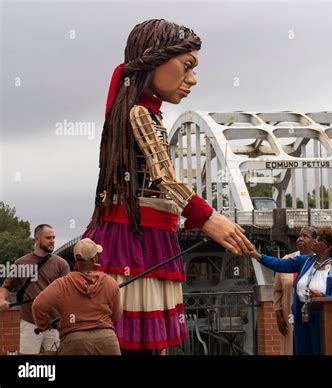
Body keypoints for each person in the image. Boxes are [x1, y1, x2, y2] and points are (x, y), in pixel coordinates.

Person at [82, 19, 252, 353]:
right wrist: (206, 216)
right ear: (153, 59)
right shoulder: (142, 113)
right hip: (140, 236)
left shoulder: (132, 111)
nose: (193, 80)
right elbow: (163, 175)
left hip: (139, 231)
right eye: (187, 67)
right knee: (144, 338)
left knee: (128, 334)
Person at [250, 226, 332, 355]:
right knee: (301, 351)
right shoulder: (306, 260)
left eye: (318, 239)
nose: (314, 241)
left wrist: (323, 297)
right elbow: (280, 264)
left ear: (328, 247)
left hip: (321, 316)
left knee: (319, 350)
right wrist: (257, 256)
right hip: (301, 314)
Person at [32, 238, 122, 355]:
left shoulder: (62, 284)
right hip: (106, 341)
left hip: (74, 342)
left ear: (76, 259)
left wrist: (44, 325)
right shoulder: (110, 282)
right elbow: (116, 315)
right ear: (94, 259)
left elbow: (38, 305)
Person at [0, 224, 70, 354]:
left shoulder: (62, 264)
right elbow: (6, 286)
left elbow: (68, 293)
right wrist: (1, 299)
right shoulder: (21, 263)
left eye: (54, 237)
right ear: (37, 239)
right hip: (29, 322)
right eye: (48, 237)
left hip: (54, 323)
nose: (52, 241)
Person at [272, 226, 316, 355]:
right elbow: (277, 290)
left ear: (314, 242)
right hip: (288, 316)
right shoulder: (287, 260)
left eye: (305, 236)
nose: (300, 239)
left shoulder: (319, 262)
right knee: (291, 348)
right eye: (299, 236)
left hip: (312, 315)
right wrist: (278, 315)